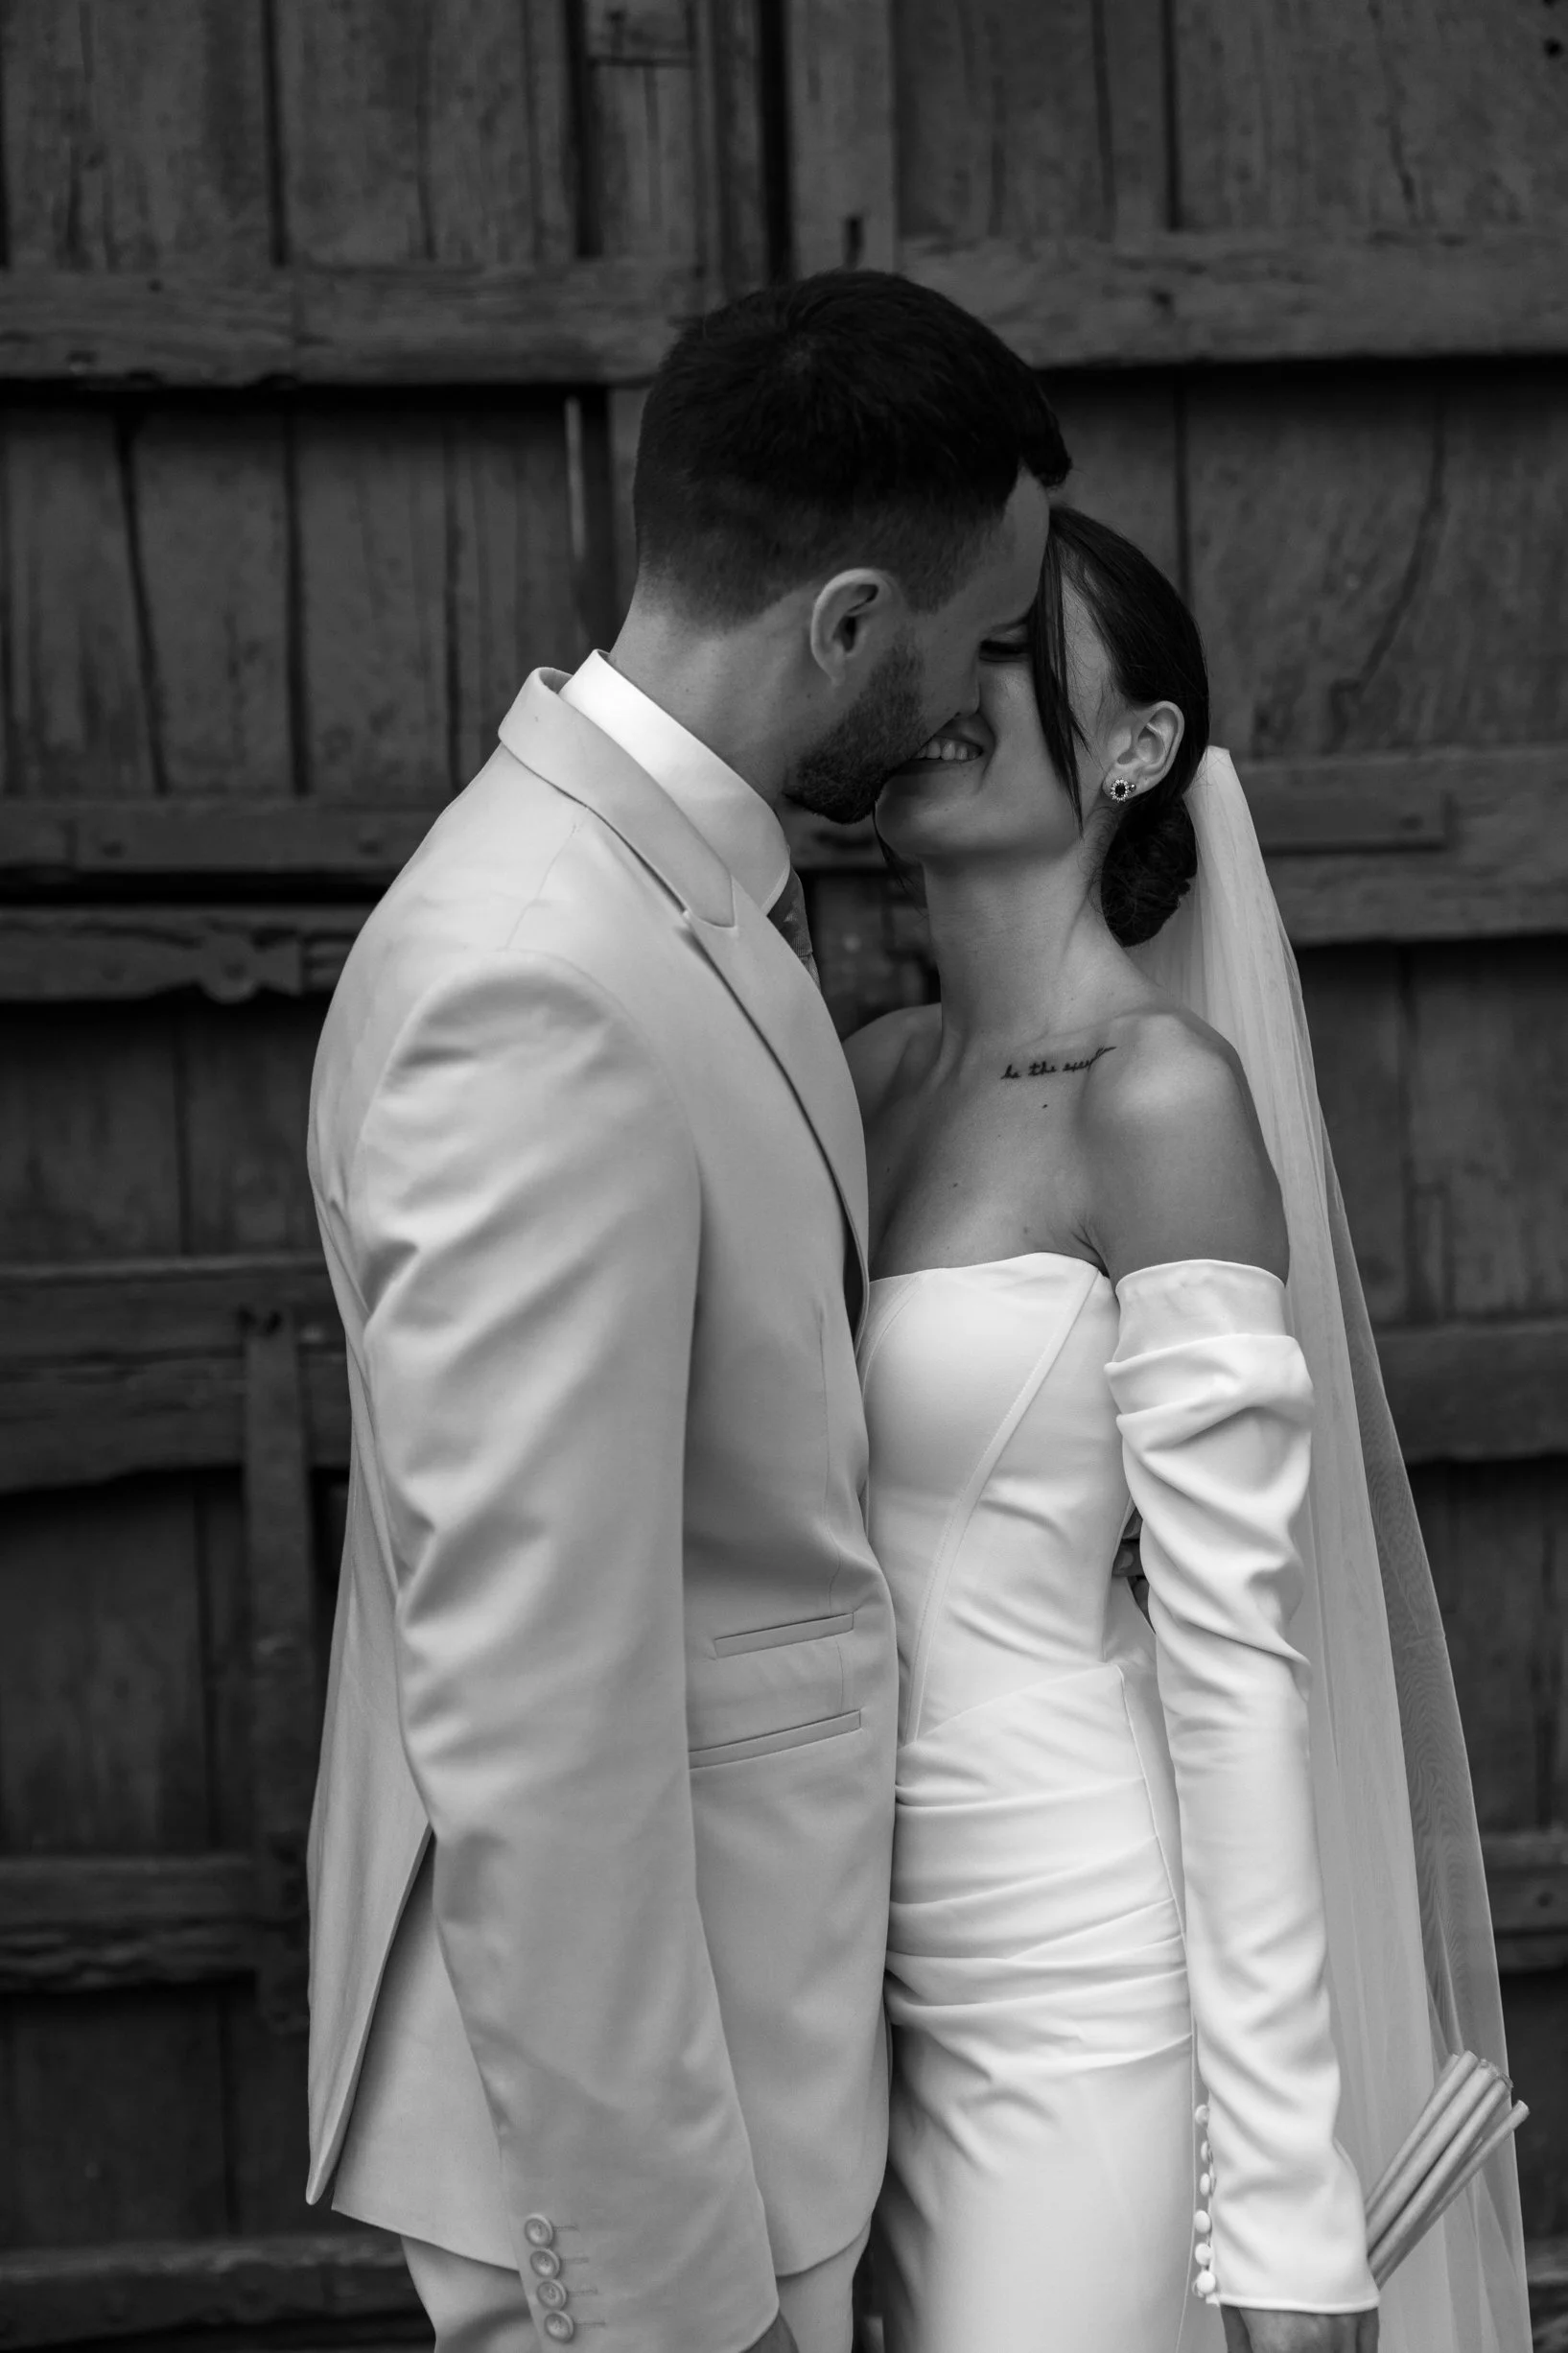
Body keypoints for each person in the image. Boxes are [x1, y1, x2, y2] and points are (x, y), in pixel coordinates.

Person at [301, 271, 1065, 2353]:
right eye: (976, 639)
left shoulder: (671, 892)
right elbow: (537, 1712)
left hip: (768, 2056)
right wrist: (662, 2296)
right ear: (839, 625)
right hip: (652, 2160)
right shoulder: (534, 979)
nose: (995, 687)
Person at [847, 508, 1532, 2353]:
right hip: (838, 1981)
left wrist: (1292, 2222)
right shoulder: (865, 1076)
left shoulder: (1156, 1099)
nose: (941, 680)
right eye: (925, 639)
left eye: (1005, 643)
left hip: (1071, 1990)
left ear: (1136, 747)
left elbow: (1235, 1656)